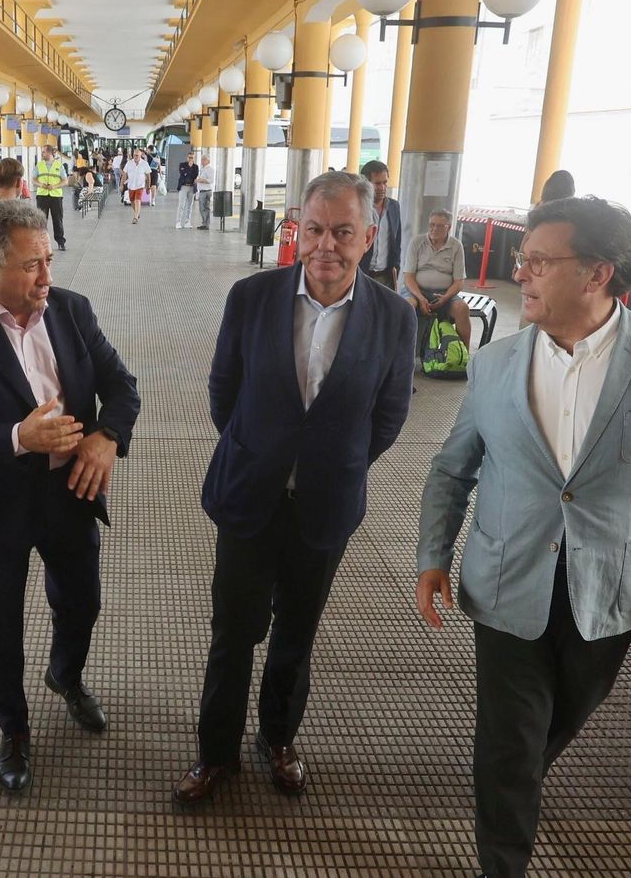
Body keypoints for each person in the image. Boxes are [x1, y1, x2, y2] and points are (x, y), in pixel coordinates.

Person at [415, 196, 631, 878]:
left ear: (596, 272)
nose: (519, 273)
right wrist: (432, 556)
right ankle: (504, 861)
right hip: (505, 580)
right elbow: (452, 468)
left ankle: (511, 786)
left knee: (553, 726)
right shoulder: (496, 364)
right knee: (510, 740)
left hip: (613, 591)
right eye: (522, 260)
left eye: (538, 261)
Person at [176, 171, 415, 806]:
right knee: (233, 632)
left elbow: (390, 415)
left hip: (325, 505)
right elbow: (223, 391)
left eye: (342, 232)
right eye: (314, 229)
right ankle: (216, 753)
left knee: (297, 634)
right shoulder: (252, 297)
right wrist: (261, 451)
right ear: (297, 230)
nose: (325, 245)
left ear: (369, 236)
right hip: (249, 495)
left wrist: (334, 464)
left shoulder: (393, 317)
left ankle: (278, 739)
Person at [0, 201, 141, 794]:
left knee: (82, 601)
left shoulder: (71, 310)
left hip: (70, 491)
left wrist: (106, 437)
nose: (47, 276)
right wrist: (21, 436)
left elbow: (122, 386)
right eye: (31, 265)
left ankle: (65, 677)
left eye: (48, 260)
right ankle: (14, 729)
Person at [402, 209, 473, 348]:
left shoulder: (456, 246)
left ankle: (463, 354)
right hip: (416, 291)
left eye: (440, 226)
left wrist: (445, 298)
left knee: (462, 308)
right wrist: (421, 298)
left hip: (445, 293)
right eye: (432, 225)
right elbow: (408, 276)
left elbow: (459, 282)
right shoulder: (417, 242)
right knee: (407, 306)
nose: (434, 229)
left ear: (449, 228)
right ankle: (402, 351)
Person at [359, 161, 402, 290]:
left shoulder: (394, 207)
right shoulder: (357, 207)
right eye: (377, 183)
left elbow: (397, 241)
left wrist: (396, 267)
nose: (382, 187)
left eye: (385, 182)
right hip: (361, 274)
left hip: (385, 277)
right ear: (366, 184)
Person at [34, 145, 68, 252]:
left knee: (57, 219)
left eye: (43, 152)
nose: (42, 154)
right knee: (41, 220)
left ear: (49, 153)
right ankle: (41, 243)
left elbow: (65, 181)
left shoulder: (59, 165)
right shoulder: (39, 165)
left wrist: (55, 186)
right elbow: (33, 179)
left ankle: (61, 242)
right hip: (42, 195)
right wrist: (41, 184)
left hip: (56, 196)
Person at [123, 149, 151, 225]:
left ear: (140, 156)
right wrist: (122, 184)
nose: (135, 157)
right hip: (131, 185)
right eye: (134, 155)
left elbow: (148, 176)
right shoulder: (129, 163)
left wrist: (148, 186)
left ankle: (135, 217)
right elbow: (124, 173)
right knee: (132, 200)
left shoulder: (144, 164)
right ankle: (137, 213)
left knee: (137, 200)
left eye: (137, 155)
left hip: (140, 185)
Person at [176, 154, 200, 230]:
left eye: (192, 158)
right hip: (183, 186)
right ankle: (178, 222)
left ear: (194, 158)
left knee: (189, 205)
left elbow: (194, 176)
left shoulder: (196, 167)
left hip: (192, 187)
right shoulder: (182, 165)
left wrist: (190, 168)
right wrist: (189, 167)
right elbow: (183, 174)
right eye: (189, 157)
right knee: (181, 205)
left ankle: (187, 222)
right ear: (187, 158)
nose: (190, 159)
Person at [195, 152, 215, 230]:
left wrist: (201, 180)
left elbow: (211, 180)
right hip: (202, 191)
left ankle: (206, 224)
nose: (202, 161)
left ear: (208, 161)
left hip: (206, 191)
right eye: (202, 159)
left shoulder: (210, 169)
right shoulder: (203, 169)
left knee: (204, 208)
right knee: (203, 208)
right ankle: (205, 223)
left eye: (204, 159)